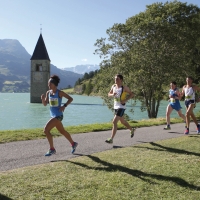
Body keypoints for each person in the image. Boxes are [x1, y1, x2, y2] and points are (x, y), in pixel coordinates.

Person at [41, 75, 78, 156]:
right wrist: (43, 99)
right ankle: (73, 143)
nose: (48, 85)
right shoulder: (48, 93)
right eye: (48, 84)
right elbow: (45, 104)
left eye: (50, 84)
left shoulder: (60, 93)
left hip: (58, 116)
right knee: (62, 131)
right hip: (53, 116)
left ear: (54, 84)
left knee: (46, 130)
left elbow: (70, 99)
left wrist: (64, 106)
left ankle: (52, 149)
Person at [105, 74, 135, 144]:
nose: (116, 80)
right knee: (122, 122)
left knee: (114, 121)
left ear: (121, 80)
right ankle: (131, 129)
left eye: (117, 79)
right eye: (115, 79)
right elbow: (108, 94)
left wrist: (125, 100)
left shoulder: (124, 88)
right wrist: (112, 94)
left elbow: (132, 94)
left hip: (121, 107)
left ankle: (111, 139)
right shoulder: (113, 86)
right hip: (115, 106)